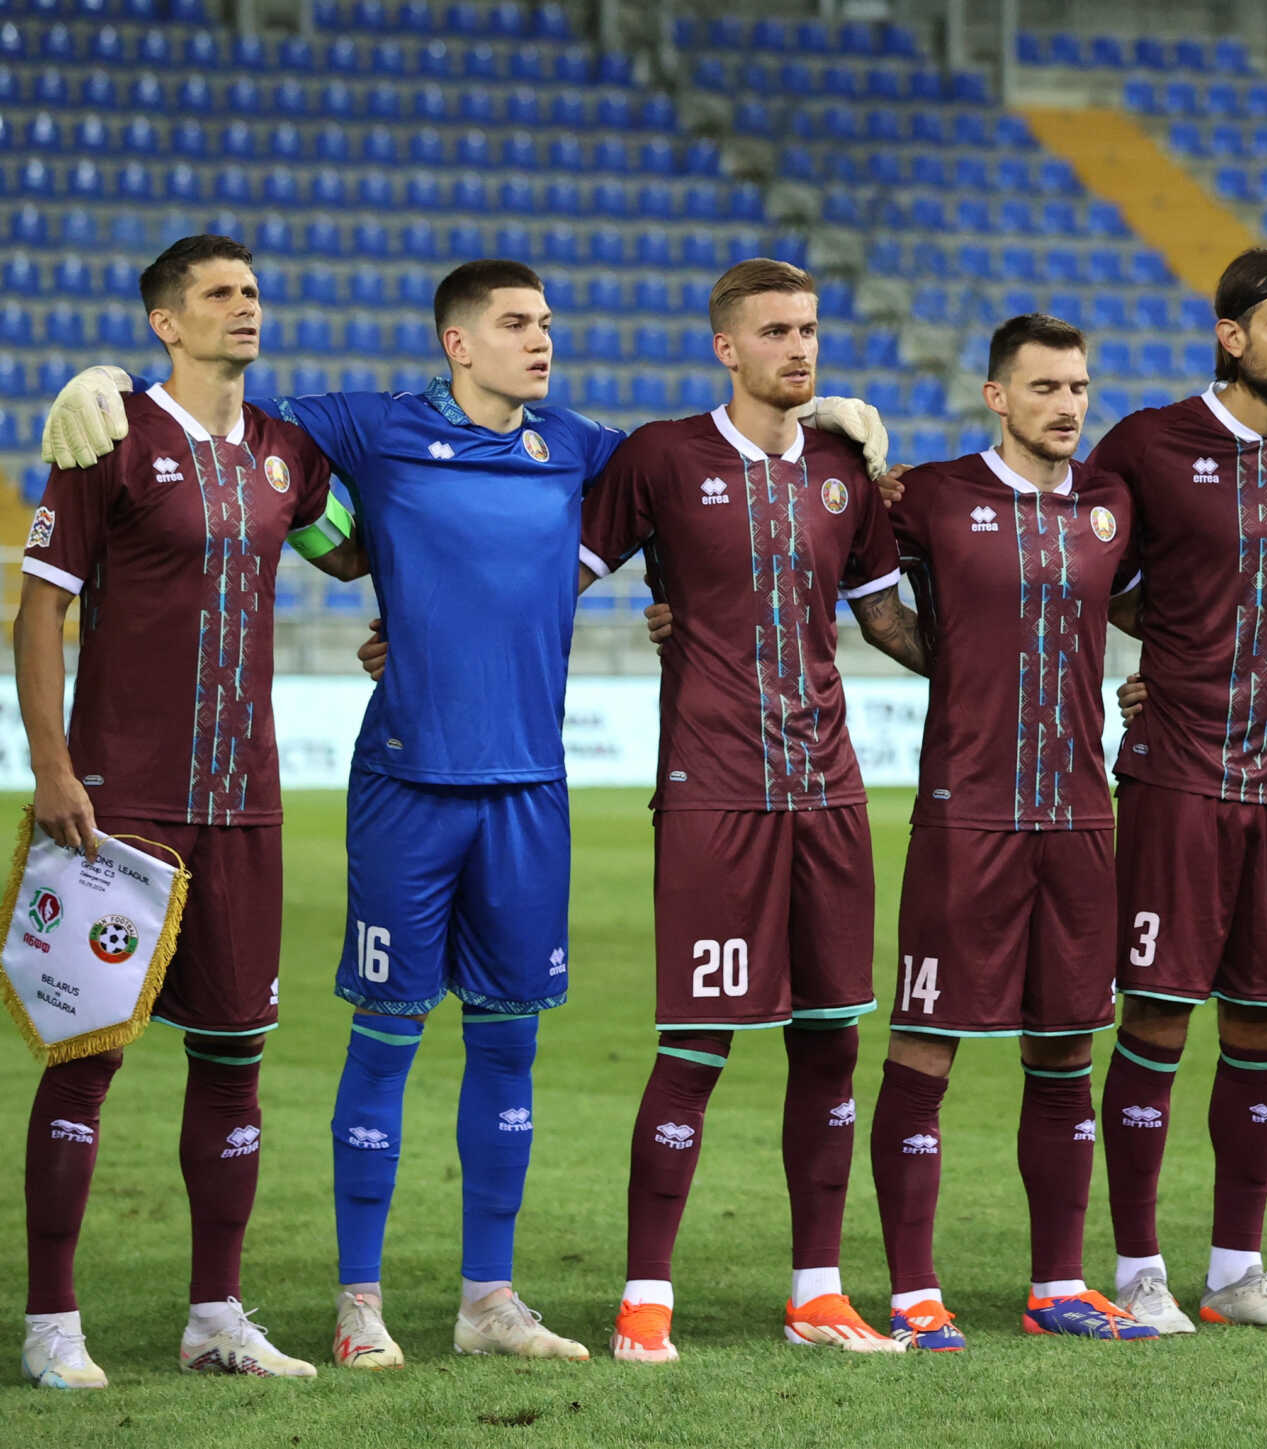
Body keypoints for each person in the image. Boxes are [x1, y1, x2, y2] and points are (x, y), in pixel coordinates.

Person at [44, 257, 891, 1366]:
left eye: (547, 320)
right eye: (517, 323)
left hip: (530, 791)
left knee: (509, 1046)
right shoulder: (367, 426)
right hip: (405, 783)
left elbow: (702, 483)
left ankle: (489, 1299)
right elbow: (225, 418)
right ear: (458, 343)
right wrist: (102, 377)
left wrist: (835, 415)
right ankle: (359, 1306)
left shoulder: (586, 447)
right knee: (382, 1041)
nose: (543, 339)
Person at [15, 236, 362, 1388]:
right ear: (167, 321)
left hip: (246, 804)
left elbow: (349, 551)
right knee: (83, 1058)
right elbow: (42, 608)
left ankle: (217, 1314)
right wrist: (54, 764)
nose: (245, 307)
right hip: (117, 803)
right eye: (219, 294)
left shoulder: (282, 457)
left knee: (233, 1059)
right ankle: (52, 1323)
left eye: (255, 289)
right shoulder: (107, 437)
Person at [578, 259, 913, 1361]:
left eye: (810, 328)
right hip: (716, 793)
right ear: (727, 348)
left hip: (829, 790)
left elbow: (891, 626)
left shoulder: (842, 466)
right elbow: (553, 577)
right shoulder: (662, 457)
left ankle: (817, 1292)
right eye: (776, 331)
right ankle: (645, 1299)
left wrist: (1015, 670)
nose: (799, 348)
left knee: (830, 1044)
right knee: (698, 1040)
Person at [863, 314, 1158, 1346]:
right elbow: (842, 571)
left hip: (1080, 815)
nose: (1066, 405)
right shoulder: (935, 497)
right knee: (926, 1046)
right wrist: (951, 672)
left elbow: (1151, 610)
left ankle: (1059, 1287)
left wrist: (1160, 676)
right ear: (996, 396)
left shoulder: (1109, 506)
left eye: (1077, 386)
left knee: (1065, 1050)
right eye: (1043, 388)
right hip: (968, 812)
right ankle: (911, 1292)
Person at [1081, 247, 1267, 1333]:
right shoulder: (1148, 442)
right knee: (1155, 1016)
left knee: (1266, 1026)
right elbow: (1071, 558)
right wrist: (1177, 656)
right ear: (1232, 335)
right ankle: (1140, 1269)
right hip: (1178, 776)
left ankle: (1237, 1272)